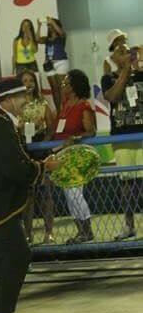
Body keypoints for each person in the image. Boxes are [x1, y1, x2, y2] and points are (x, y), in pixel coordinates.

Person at [0, 77, 61, 313]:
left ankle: (1, 312)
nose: (26, 102)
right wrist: (45, 167)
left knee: (8, 261)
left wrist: (38, 165)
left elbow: (15, 162)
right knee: (17, 257)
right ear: (10, 99)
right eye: (23, 97)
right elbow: (15, 167)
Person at [101, 43, 143, 240]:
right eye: (122, 52)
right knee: (127, 183)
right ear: (114, 58)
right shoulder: (108, 78)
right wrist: (126, 69)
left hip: (141, 136)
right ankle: (129, 225)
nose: (127, 54)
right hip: (122, 137)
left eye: (129, 51)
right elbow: (112, 96)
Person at [52, 69, 96, 244]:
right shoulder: (65, 105)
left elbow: (91, 131)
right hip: (61, 156)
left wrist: (75, 138)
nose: (63, 86)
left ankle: (88, 231)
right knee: (69, 196)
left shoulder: (83, 106)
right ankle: (81, 231)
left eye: (66, 83)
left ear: (75, 86)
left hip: (77, 156)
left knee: (75, 194)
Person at [18, 69, 56, 244]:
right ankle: (28, 233)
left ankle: (49, 232)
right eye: (24, 80)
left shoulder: (43, 103)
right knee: (28, 196)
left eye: (31, 80)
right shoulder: (17, 105)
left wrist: (44, 143)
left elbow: (51, 126)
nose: (28, 83)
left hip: (41, 148)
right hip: (25, 149)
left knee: (45, 193)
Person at [37, 16, 68, 113]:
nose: (50, 27)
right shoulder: (47, 39)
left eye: (51, 25)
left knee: (61, 88)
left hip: (60, 62)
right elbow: (37, 39)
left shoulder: (61, 37)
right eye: (49, 25)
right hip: (49, 64)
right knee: (54, 89)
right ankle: (59, 111)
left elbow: (62, 32)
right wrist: (39, 26)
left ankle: (65, 110)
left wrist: (52, 22)